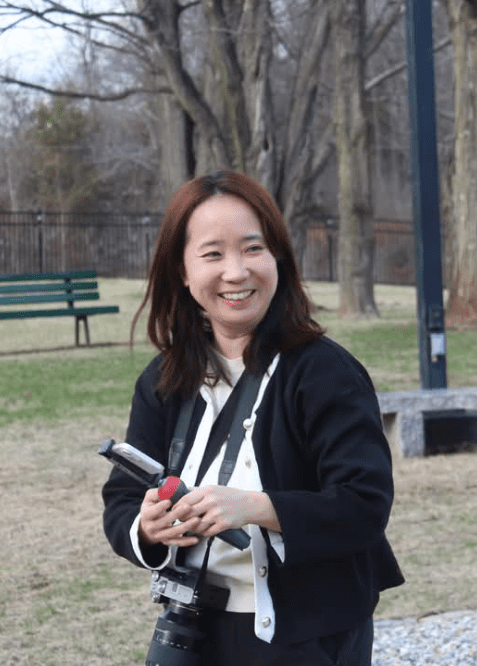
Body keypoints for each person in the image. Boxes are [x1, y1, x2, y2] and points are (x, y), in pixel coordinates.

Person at [101, 169, 404, 665]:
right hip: (197, 630)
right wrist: (149, 527)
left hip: (307, 633)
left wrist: (255, 507)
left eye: (252, 248)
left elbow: (364, 504)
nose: (237, 272)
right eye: (213, 254)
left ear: (278, 256)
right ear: (182, 270)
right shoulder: (164, 379)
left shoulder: (325, 371)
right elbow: (121, 502)